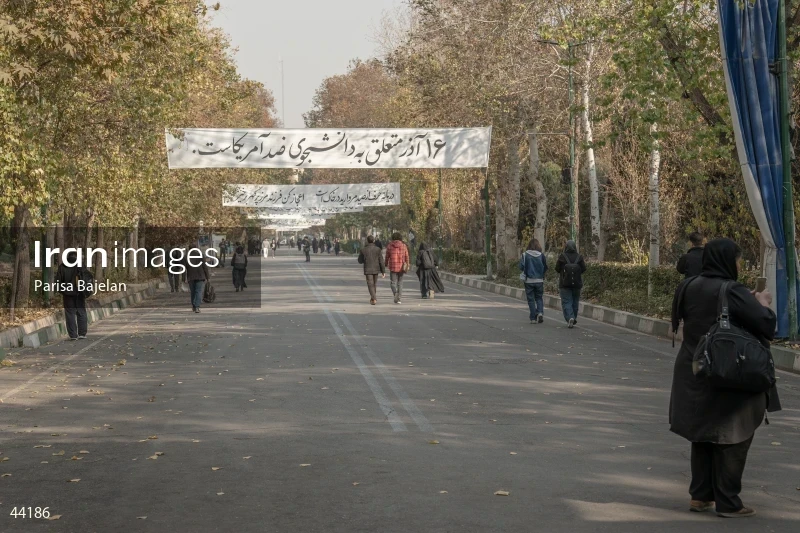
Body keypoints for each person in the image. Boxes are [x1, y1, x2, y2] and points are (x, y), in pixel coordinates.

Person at [670, 238, 780, 518]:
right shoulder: (732, 291)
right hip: (729, 371)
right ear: (728, 261)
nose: (740, 265)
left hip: (694, 369)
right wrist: (763, 303)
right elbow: (766, 324)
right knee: (733, 434)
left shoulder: (688, 285)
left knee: (703, 434)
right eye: (739, 260)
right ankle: (729, 502)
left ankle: (700, 496)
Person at [56, 250, 88, 340]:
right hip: (79, 292)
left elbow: (58, 281)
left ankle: (73, 335)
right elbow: (86, 278)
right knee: (81, 312)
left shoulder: (62, 266)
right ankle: (82, 333)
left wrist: (62, 291)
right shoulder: (80, 265)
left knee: (70, 313)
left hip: (67, 293)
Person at [554, 240, 586, 328]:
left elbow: (557, 268)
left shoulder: (562, 256)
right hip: (577, 284)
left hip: (564, 284)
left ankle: (570, 317)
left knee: (566, 301)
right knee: (575, 301)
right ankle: (574, 317)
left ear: (566, 247)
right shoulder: (579, 257)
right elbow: (583, 269)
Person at [520, 238, 548, 324]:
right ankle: (540, 312)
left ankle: (533, 318)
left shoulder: (525, 255)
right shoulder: (541, 255)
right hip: (539, 280)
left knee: (531, 299)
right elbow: (545, 267)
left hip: (528, 280)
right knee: (539, 298)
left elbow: (521, 267)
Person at [358, 235, 385, 305]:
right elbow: (381, 261)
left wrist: (365, 259)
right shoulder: (378, 249)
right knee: (374, 284)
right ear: (373, 241)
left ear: (367, 241)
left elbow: (360, 261)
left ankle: (374, 298)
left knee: (370, 284)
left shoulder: (363, 250)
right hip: (376, 269)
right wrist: (383, 271)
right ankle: (373, 298)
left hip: (368, 269)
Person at [384, 232, 410, 304]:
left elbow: (387, 257)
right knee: (400, 283)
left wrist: (385, 264)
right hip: (402, 267)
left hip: (393, 267)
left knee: (393, 283)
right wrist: (407, 265)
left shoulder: (389, 246)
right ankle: (399, 298)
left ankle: (395, 293)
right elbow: (407, 256)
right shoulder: (404, 246)